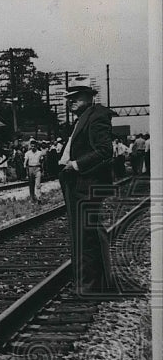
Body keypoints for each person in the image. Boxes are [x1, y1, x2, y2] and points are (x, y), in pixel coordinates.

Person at [57, 85, 115, 295]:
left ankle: (91, 287)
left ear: (89, 97)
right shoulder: (86, 116)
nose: (69, 101)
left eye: (75, 97)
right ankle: (94, 284)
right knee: (85, 235)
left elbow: (104, 150)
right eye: (68, 98)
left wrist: (76, 165)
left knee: (86, 236)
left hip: (86, 184)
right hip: (81, 184)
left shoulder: (95, 117)